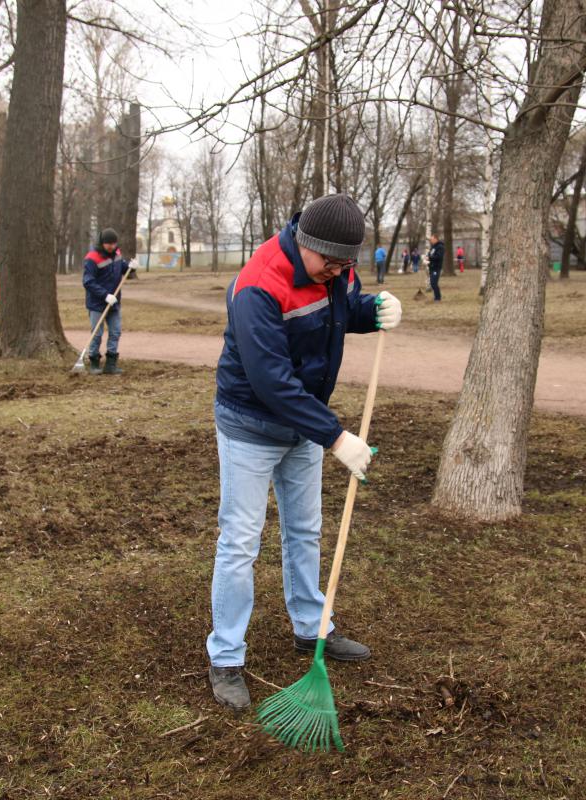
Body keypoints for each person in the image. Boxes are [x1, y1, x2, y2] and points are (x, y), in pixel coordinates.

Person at [207, 193, 403, 711]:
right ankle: (225, 657)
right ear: (305, 244)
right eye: (331, 263)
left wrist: (372, 309)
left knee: (304, 530)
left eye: (347, 264)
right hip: (250, 422)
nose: (338, 273)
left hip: (303, 426)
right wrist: (336, 436)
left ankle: (311, 629)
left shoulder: (331, 272)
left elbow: (336, 315)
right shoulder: (259, 284)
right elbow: (271, 381)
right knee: (241, 541)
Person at [81, 228, 129, 375]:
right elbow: (88, 281)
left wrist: (130, 267)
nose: (112, 247)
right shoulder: (92, 258)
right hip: (97, 303)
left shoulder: (117, 254)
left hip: (114, 302)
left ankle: (111, 364)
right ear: (102, 243)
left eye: (114, 244)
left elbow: (121, 268)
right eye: (109, 244)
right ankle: (94, 363)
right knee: (97, 333)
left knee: (115, 332)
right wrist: (105, 295)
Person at [427, 233, 445, 301]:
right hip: (431, 267)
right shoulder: (433, 247)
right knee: (432, 283)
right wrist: (427, 258)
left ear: (436, 239)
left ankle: (438, 298)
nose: (431, 240)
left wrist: (430, 258)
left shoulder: (440, 247)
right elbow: (430, 255)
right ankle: (436, 297)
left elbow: (438, 257)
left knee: (434, 283)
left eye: (432, 239)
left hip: (436, 268)